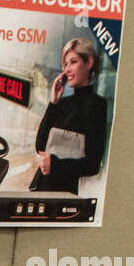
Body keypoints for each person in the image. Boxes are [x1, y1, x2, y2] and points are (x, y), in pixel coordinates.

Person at [30, 38, 107, 194]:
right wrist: (53, 102)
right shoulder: (62, 103)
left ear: (89, 62)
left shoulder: (97, 105)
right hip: (42, 188)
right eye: (65, 64)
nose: (67, 69)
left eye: (73, 62)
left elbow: (92, 164)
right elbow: (40, 147)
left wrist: (55, 165)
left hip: (66, 192)